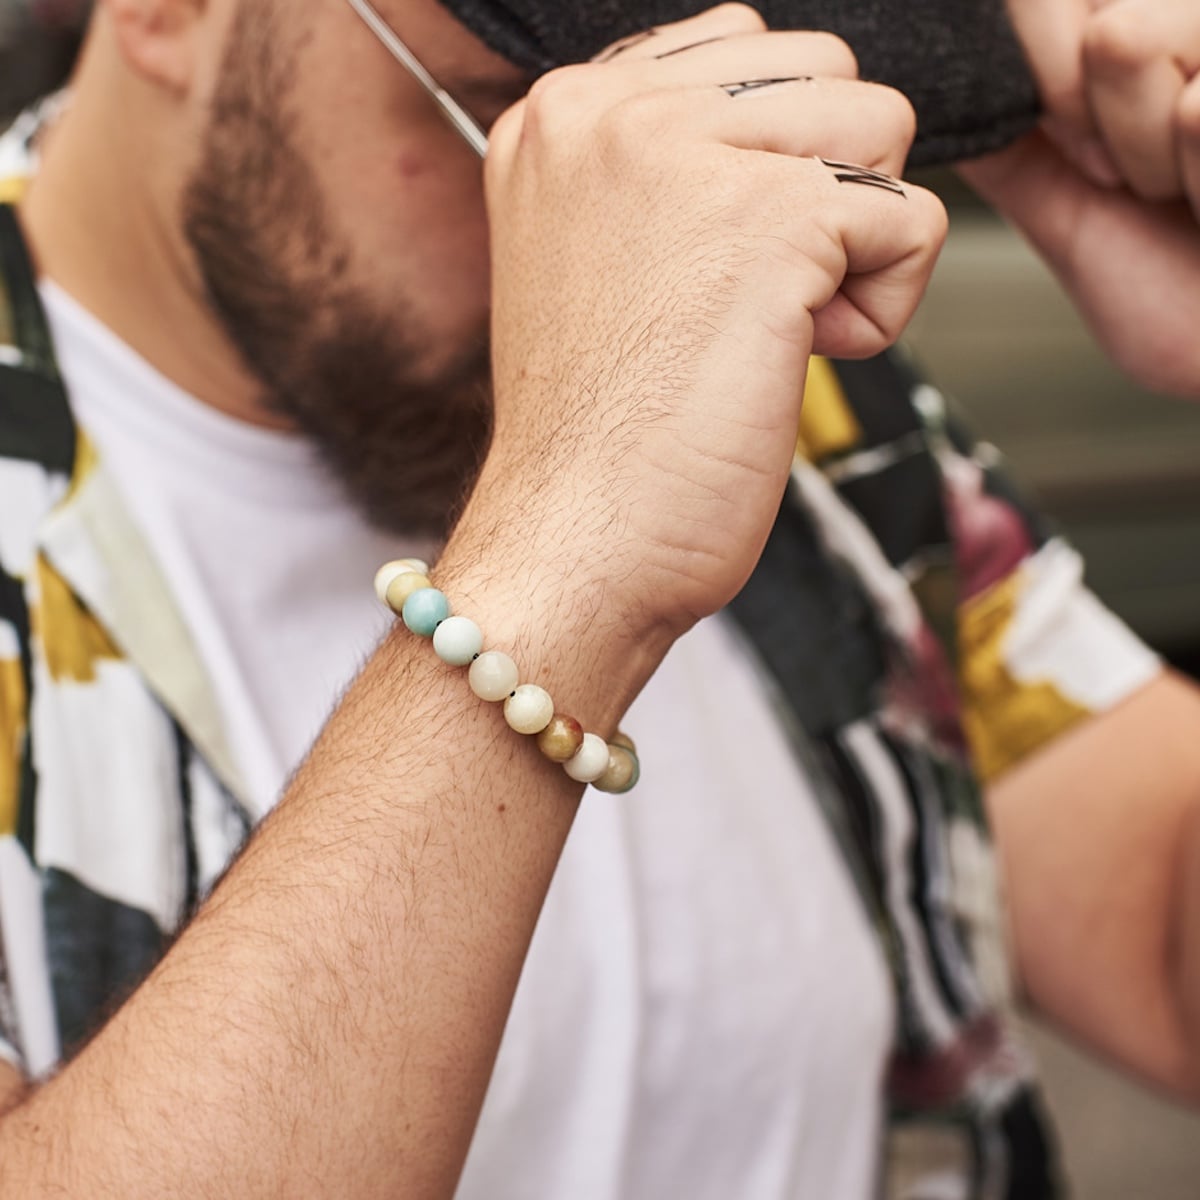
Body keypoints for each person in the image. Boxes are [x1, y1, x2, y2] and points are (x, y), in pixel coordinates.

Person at [0, 1, 1197, 1197]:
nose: (627, 198)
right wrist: (566, 548)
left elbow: (1157, 940)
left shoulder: (797, 403)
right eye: (507, 108)